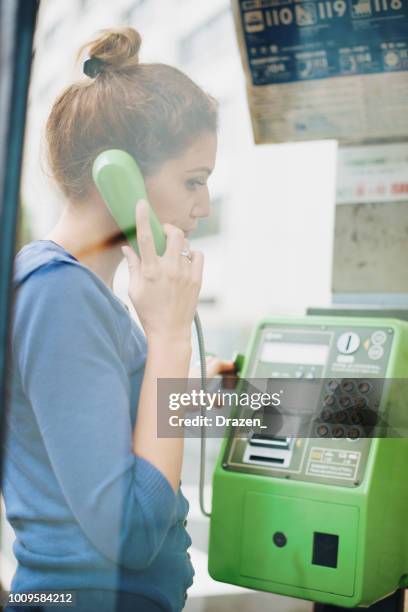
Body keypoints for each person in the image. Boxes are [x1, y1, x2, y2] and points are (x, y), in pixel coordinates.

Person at [3, 27, 232, 612]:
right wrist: (171, 339)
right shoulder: (57, 296)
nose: (202, 206)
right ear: (118, 177)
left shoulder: (86, 295)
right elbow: (129, 531)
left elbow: (112, 430)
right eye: (193, 181)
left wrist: (215, 394)